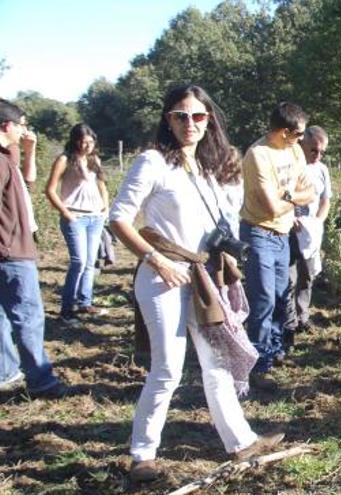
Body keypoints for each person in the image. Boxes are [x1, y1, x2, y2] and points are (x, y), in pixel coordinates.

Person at [109, 85, 285, 482]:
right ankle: (142, 455)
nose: (190, 123)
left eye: (198, 116)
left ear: (210, 120)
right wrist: (156, 261)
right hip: (163, 277)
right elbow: (118, 218)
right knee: (167, 369)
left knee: (217, 363)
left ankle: (241, 442)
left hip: (203, 278)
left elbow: (225, 217)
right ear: (167, 119)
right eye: (180, 115)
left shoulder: (210, 168)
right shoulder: (152, 162)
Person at [239, 102, 315, 390]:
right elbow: (270, 208)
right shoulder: (258, 155)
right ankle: (257, 363)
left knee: (281, 296)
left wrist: (288, 196)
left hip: (283, 234)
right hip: (258, 232)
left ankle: (272, 352)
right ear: (284, 132)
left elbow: (310, 191)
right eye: (298, 135)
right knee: (263, 299)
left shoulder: (294, 150)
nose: (302, 141)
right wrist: (293, 199)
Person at [0, 98, 67, 398]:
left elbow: (27, 178)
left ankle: (6, 371)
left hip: (11, 248)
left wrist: (28, 149)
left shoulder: (6, 157)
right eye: (22, 124)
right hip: (10, 250)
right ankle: (41, 380)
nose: (26, 130)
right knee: (28, 315)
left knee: (4, 315)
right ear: (7, 126)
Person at [44, 124, 109, 323]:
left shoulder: (94, 160)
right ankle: (66, 309)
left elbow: (102, 186)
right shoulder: (64, 159)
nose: (86, 145)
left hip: (96, 217)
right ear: (74, 140)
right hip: (75, 218)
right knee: (79, 261)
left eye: (90, 141)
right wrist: (65, 212)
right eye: (82, 141)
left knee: (90, 262)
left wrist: (105, 207)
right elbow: (50, 189)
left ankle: (85, 302)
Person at [284, 126, 331, 342]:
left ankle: (303, 316)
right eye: (314, 150)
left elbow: (325, 200)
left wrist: (318, 221)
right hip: (289, 228)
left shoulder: (321, 170)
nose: (318, 156)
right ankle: (289, 322)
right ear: (302, 144)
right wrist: (289, 217)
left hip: (311, 231)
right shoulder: (289, 164)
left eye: (322, 152)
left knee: (307, 275)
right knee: (289, 277)